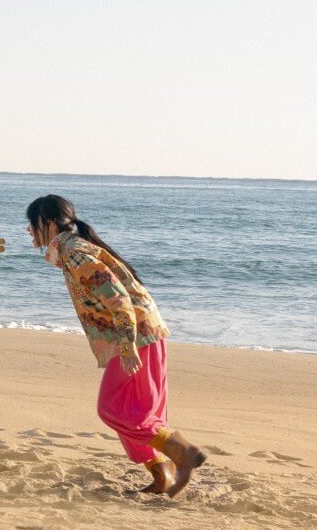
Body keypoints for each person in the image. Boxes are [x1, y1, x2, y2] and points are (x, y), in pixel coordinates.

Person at [26, 194, 206, 496]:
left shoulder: (75, 252)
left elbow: (118, 298)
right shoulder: (72, 248)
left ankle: (183, 452)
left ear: (48, 222)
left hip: (136, 336)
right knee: (136, 410)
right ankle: (162, 474)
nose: (29, 232)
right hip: (140, 332)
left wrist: (126, 345)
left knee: (114, 409)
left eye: (31, 225)